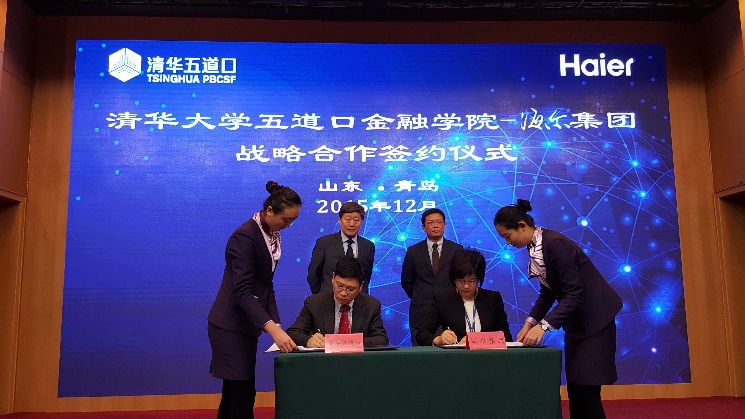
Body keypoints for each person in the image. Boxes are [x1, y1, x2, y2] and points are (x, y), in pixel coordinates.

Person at [494, 199, 622, 419]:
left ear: (522, 226)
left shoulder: (555, 244)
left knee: (587, 390)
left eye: (507, 236)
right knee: (576, 389)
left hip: (595, 321)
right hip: (578, 323)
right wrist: (530, 323)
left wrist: (544, 327)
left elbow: (575, 293)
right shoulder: (535, 246)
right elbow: (548, 293)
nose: (507, 242)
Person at [207, 181, 301, 419]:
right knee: (242, 394)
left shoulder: (271, 235)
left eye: (293, 221)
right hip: (229, 325)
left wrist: (276, 323)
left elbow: (265, 285)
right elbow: (242, 292)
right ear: (270, 211)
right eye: (286, 220)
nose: (288, 226)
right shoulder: (245, 236)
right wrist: (272, 329)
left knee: (235, 393)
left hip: (246, 325)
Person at [416, 249, 512, 346]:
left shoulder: (492, 299)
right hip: (457, 355)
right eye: (461, 281)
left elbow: (506, 337)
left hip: (486, 354)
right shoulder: (443, 300)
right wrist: (438, 339)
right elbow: (422, 334)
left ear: (478, 279)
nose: (466, 286)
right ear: (454, 279)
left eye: (471, 281)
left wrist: (475, 340)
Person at [288, 256, 389, 347]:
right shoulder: (314, 303)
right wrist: (309, 340)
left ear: (361, 286)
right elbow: (293, 333)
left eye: (350, 289)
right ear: (333, 278)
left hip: (358, 360)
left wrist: (350, 342)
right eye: (339, 286)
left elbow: (381, 339)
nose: (343, 293)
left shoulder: (371, 305)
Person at [401, 208, 463, 345]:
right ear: (423, 227)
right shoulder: (413, 251)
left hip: (450, 311)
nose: (435, 226)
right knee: (421, 354)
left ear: (444, 225)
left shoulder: (456, 249)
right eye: (431, 222)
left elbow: (460, 278)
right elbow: (406, 281)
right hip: (421, 313)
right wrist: (420, 296)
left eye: (439, 222)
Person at [307, 202, 375, 294]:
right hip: (328, 298)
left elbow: (367, 277)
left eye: (356, 220)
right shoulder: (324, 243)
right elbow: (313, 274)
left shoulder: (368, 246)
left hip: (358, 300)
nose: (352, 224)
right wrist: (320, 296)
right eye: (348, 219)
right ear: (339, 220)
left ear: (361, 221)